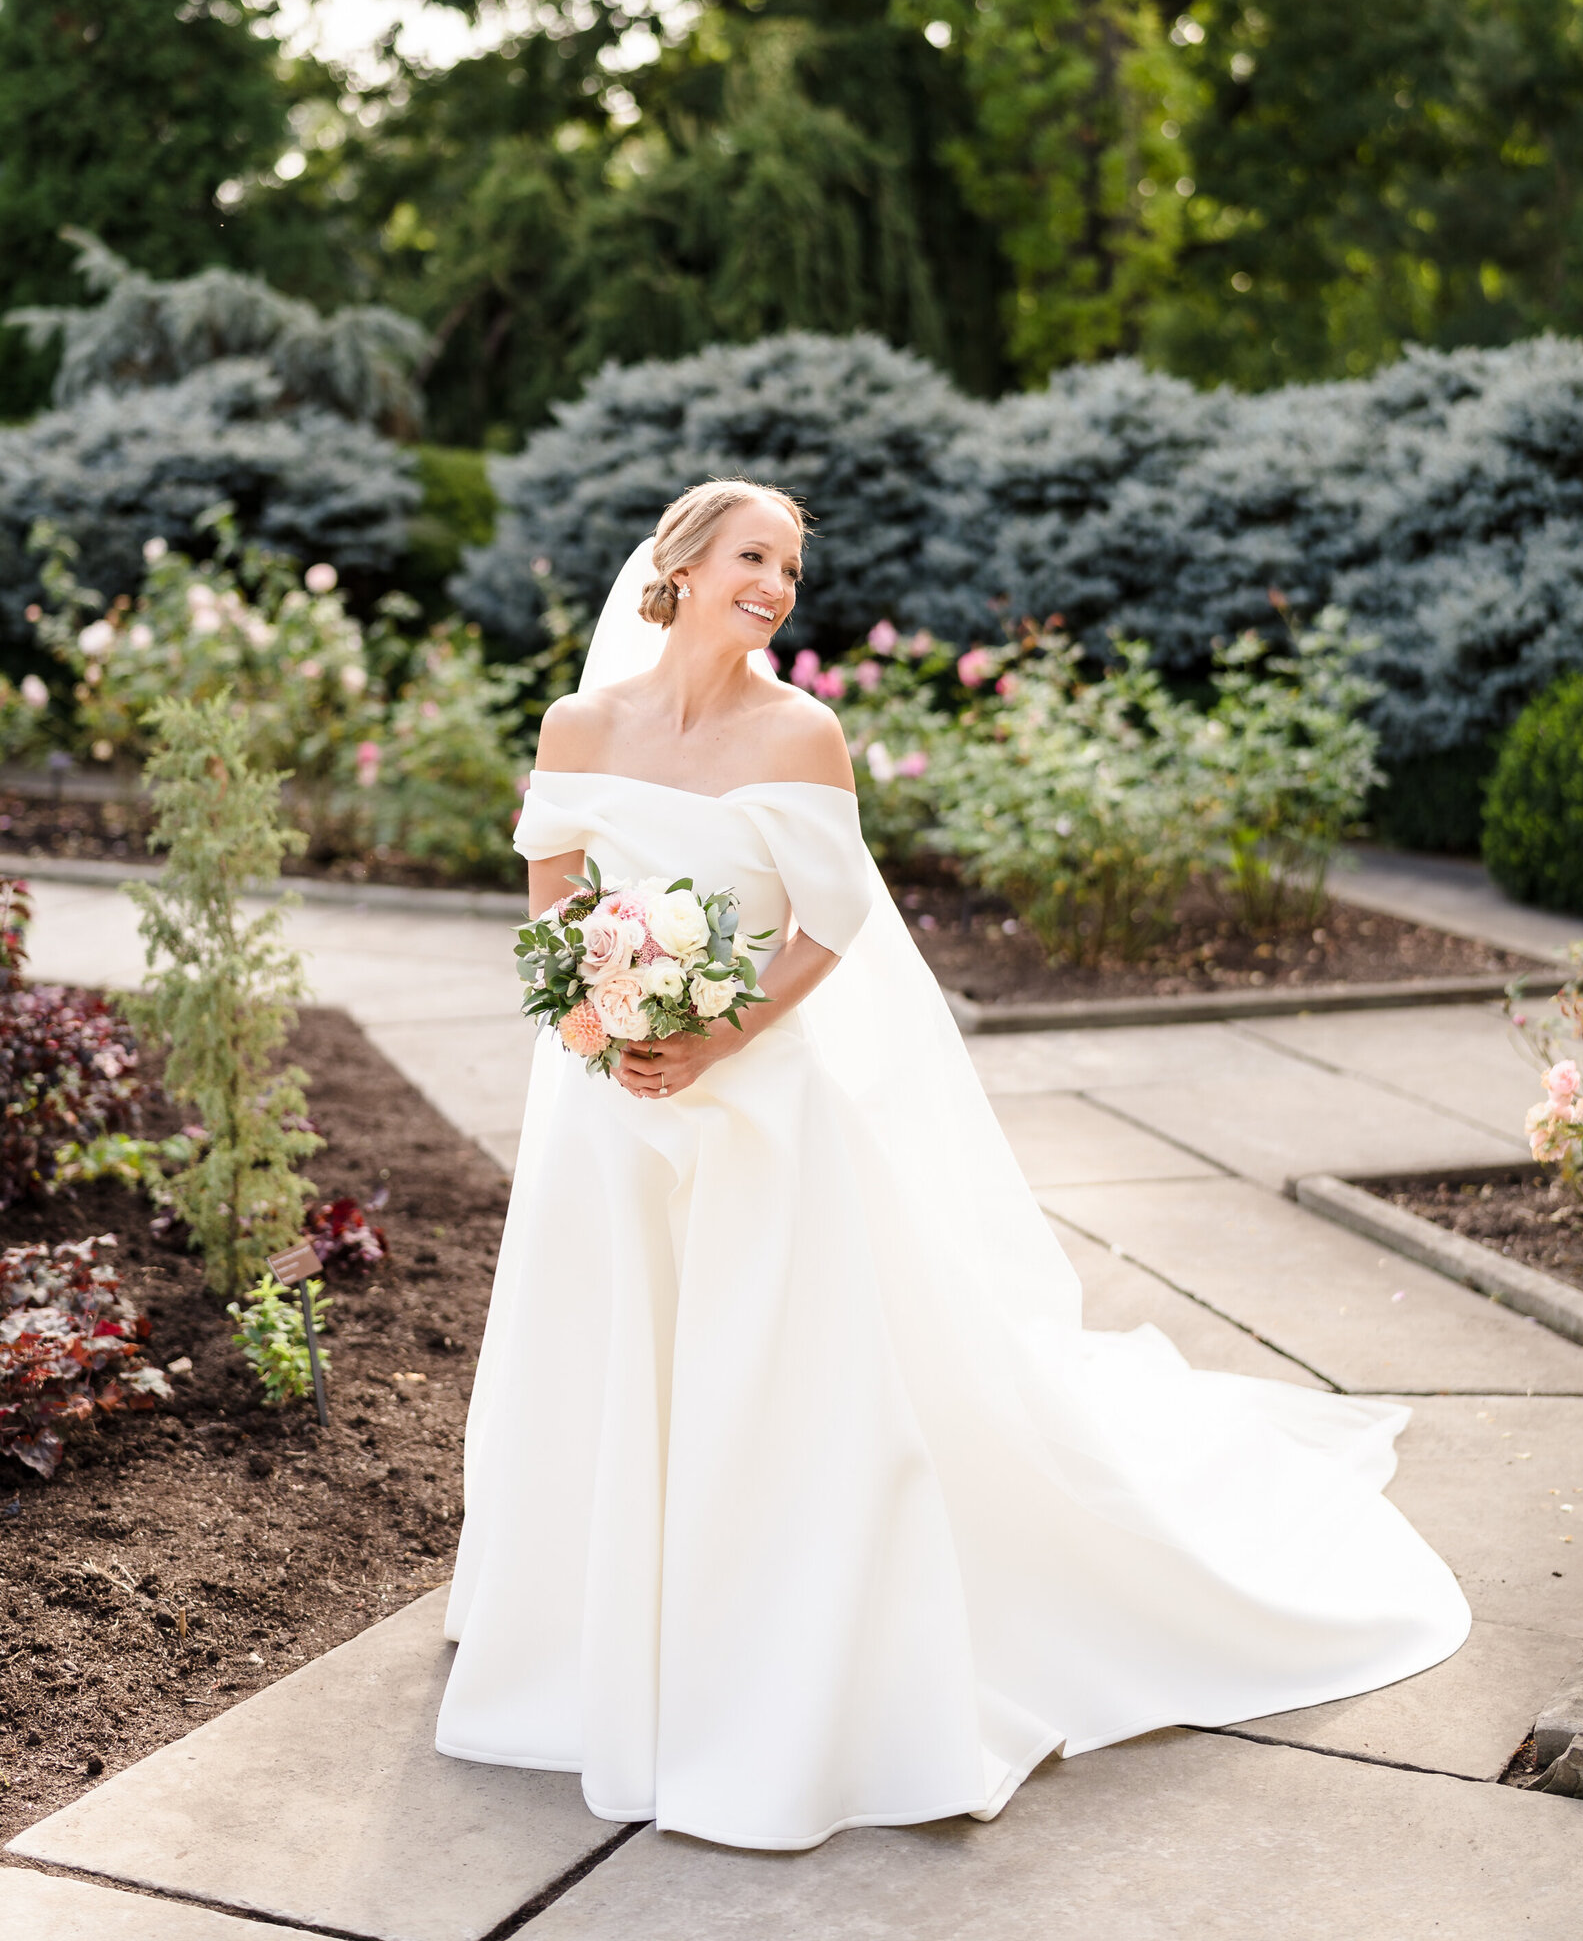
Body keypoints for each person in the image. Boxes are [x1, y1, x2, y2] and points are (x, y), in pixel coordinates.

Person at [435, 478, 1469, 1853]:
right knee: (607, 1359)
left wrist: (714, 1033)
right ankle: (591, 1645)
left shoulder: (800, 732)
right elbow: (553, 890)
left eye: (793, 568)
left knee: (767, 1384)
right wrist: (590, 1017)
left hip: (755, 1105)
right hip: (607, 1107)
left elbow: (830, 923)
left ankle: (767, 1663)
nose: (777, 586)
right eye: (755, 556)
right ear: (682, 562)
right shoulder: (582, 723)